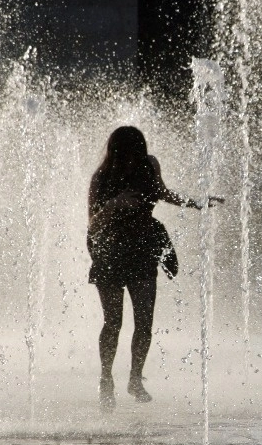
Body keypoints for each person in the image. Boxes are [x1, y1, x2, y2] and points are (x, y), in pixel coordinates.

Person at [87, 126, 221, 411]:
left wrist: (197, 203)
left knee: (144, 322)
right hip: (110, 253)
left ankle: (135, 378)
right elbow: (92, 225)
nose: (134, 160)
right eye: (128, 154)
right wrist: (114, 204)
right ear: (116, 153)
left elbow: (163, 193)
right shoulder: (101, 178)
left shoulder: (150, 165)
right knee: (113, 322)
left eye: (139, 152)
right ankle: (106, 378)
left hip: (142, 250)